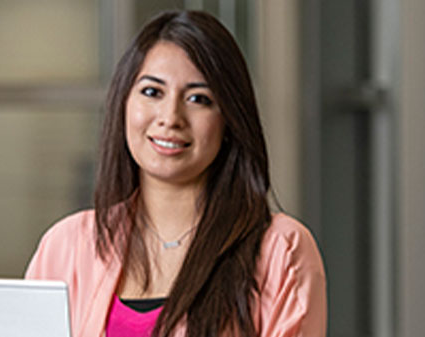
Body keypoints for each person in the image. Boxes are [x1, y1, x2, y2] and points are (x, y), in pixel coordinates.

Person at [25, 10, 326, 337]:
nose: (171, 117)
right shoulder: (67, 244)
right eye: (152, 92)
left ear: (229, 122)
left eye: (199, 99)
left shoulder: (280, 249)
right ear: (124, 103)